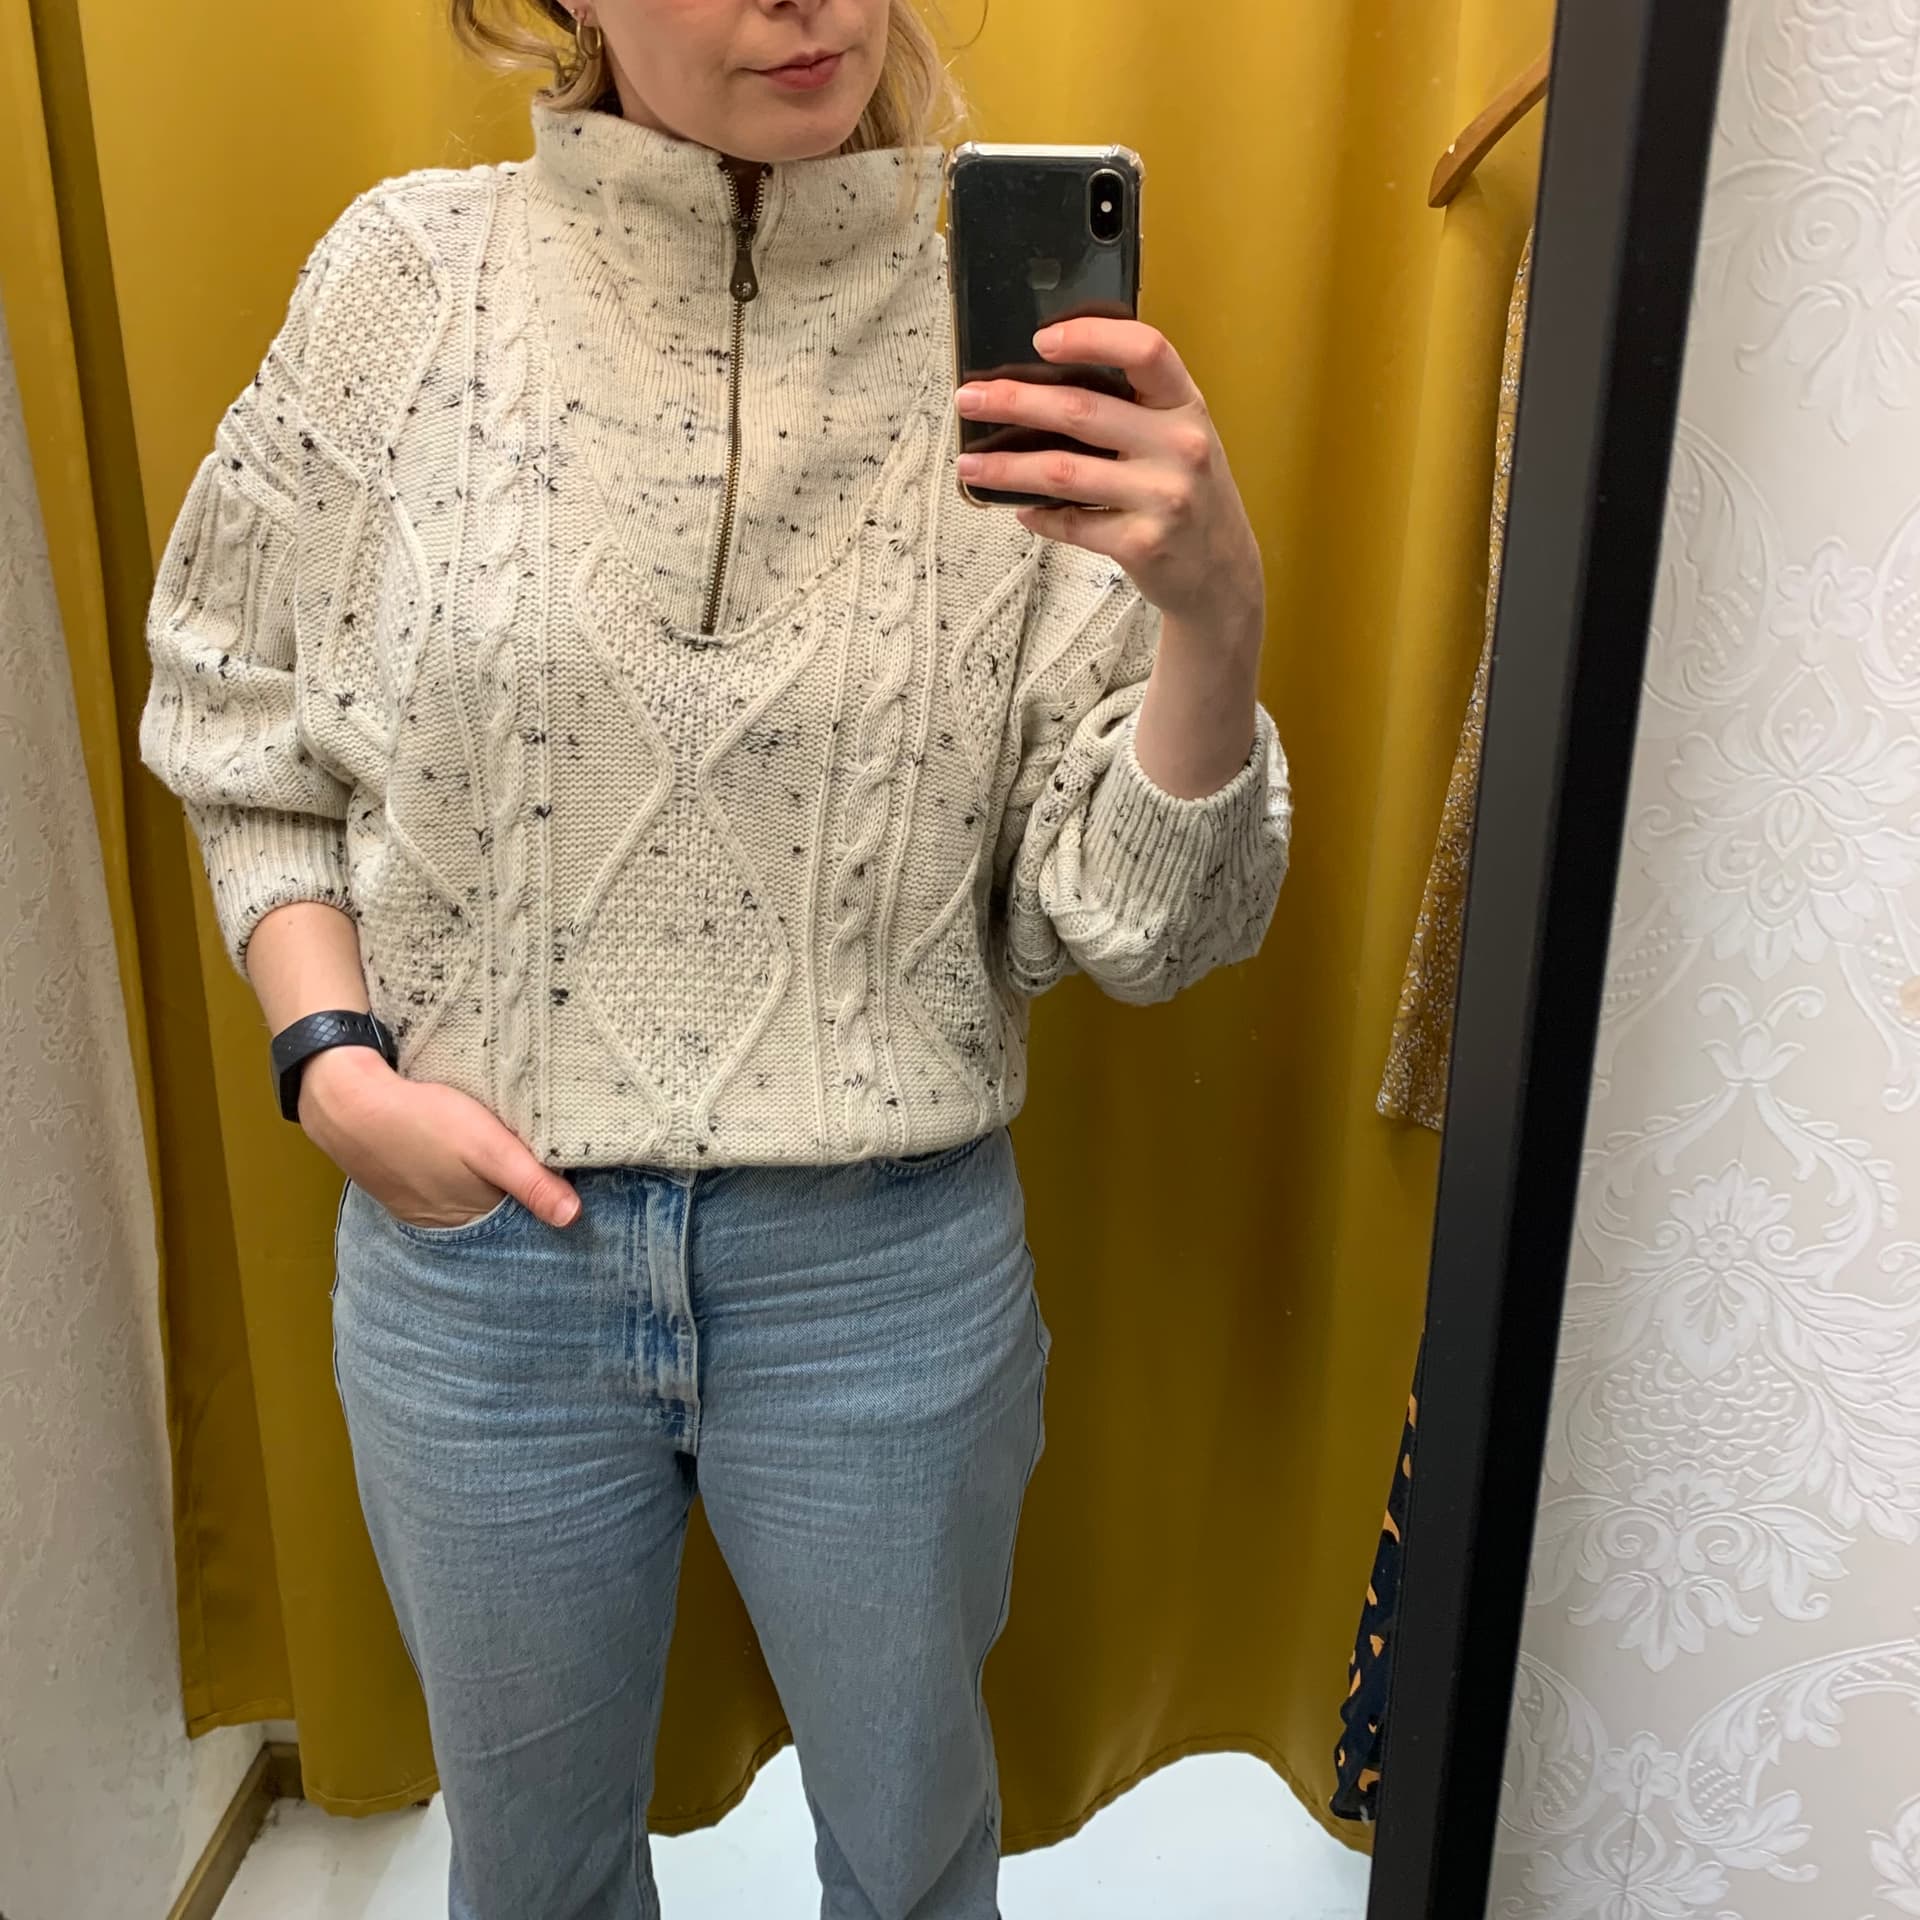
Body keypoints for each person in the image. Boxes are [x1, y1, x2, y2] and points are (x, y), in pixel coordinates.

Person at [138, 1, 1290, 1914]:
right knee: (535, 1877)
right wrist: (328, 1062)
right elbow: (234, 712)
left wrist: (1216, 620)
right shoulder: (406, 284)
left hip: (883, 1276)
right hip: (479, 1267)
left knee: (914, 1867)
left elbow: (1139, 921)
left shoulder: (1014, 341)